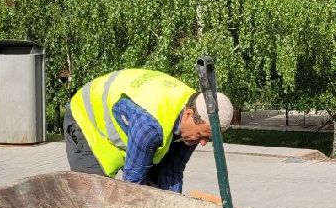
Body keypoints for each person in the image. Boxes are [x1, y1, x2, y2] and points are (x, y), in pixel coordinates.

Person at [64, 67, 234, 192]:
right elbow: (133, 183)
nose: (202, 143)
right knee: (95, 198)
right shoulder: (150, 126)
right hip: (87, 121)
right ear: (189, 114)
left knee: (155, 189)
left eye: (207, 138)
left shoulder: (196, 112)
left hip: (131, 124)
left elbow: (172, 172)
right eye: (201, 136)